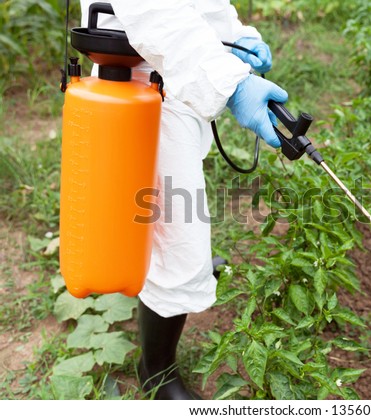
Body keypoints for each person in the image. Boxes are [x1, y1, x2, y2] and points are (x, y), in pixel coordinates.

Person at [78, 0, 288, 399]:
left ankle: (174, 275)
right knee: (177, 235)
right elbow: (154, 11)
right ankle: (155, 372)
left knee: (167, 207)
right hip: (142, 77)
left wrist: (237, 34)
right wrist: (233, 84)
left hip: (176, 76)